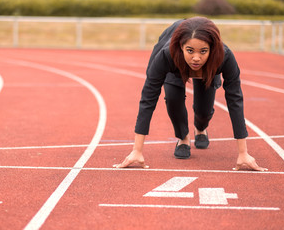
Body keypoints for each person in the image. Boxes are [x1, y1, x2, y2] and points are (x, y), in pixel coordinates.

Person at [114, 16, 267, 171]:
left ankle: (200, 128)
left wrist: (243, 152)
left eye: (203, 51)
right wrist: (136, 150)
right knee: (173, 99)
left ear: (212, 49)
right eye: (190, 51)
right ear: (181, 47)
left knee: (204, 111)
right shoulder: (167, 55)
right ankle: (183, 138)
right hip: (176, 66)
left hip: (209, 69)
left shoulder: (224, 57)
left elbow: (235, 99)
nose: (196, 58)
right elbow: (148, 98)